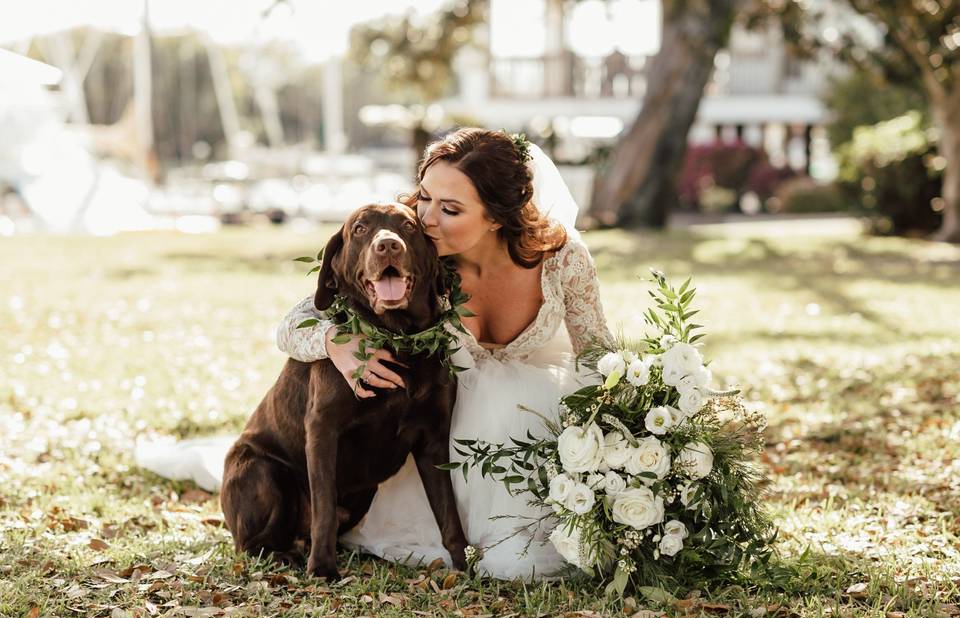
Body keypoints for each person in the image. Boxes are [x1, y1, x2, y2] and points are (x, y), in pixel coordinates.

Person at [137, 128, 614, 580]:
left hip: (522, 418)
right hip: (433, 425)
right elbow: (295, 322)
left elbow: (599, 355)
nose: (426, 217)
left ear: (495, 216)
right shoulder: (414, 247)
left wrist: (623, 435)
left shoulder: (561, 258)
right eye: (424, 197)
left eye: (449, 208)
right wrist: (335, 344)